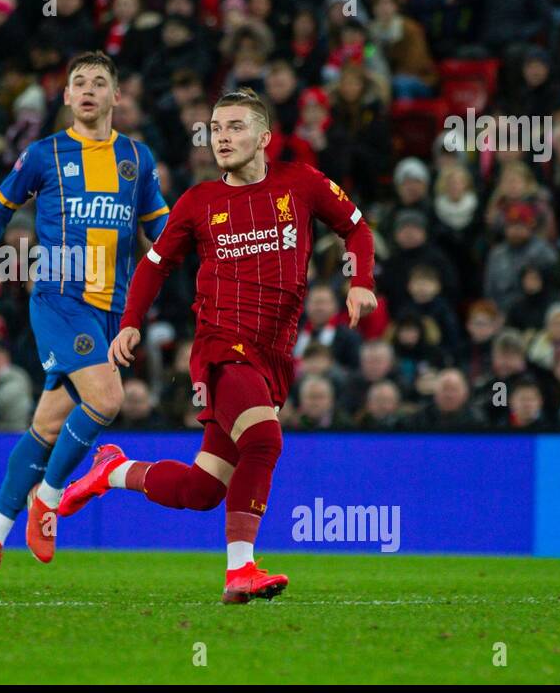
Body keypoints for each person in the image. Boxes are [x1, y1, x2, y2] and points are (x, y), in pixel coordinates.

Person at [59, 88, 377, 603]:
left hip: (274, 356)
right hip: (222, 347)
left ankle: (112, 471)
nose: (222, 137)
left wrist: (361, 280)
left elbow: (358, 230)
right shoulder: (200, 202)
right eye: (215, 128)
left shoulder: (301, 183)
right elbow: (155, 264)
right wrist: (131, 321)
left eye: (234, 127)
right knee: (265, 442)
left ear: (264, 137)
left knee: (203, 491)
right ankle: (240, 570)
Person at [0, 50, 169, 588]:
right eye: (79, 82)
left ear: (116, 96)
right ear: (67, 96)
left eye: (100, 83)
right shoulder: (44, 154)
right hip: (58, 298)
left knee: (49, 426)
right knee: (108, 399)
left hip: (108, 310)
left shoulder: (137, 158)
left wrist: (203, 241)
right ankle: (47, 502)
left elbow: (160, 225)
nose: (89, 90)